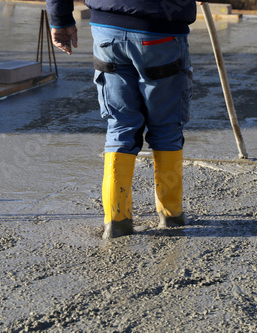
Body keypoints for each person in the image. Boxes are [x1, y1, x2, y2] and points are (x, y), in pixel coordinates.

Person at [46, 0, 197, 239]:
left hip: (108, 31)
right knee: (166, 126)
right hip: (160, 31)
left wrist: (61, 19)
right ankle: (172, 215)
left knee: (121, 125)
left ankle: (117, 220)